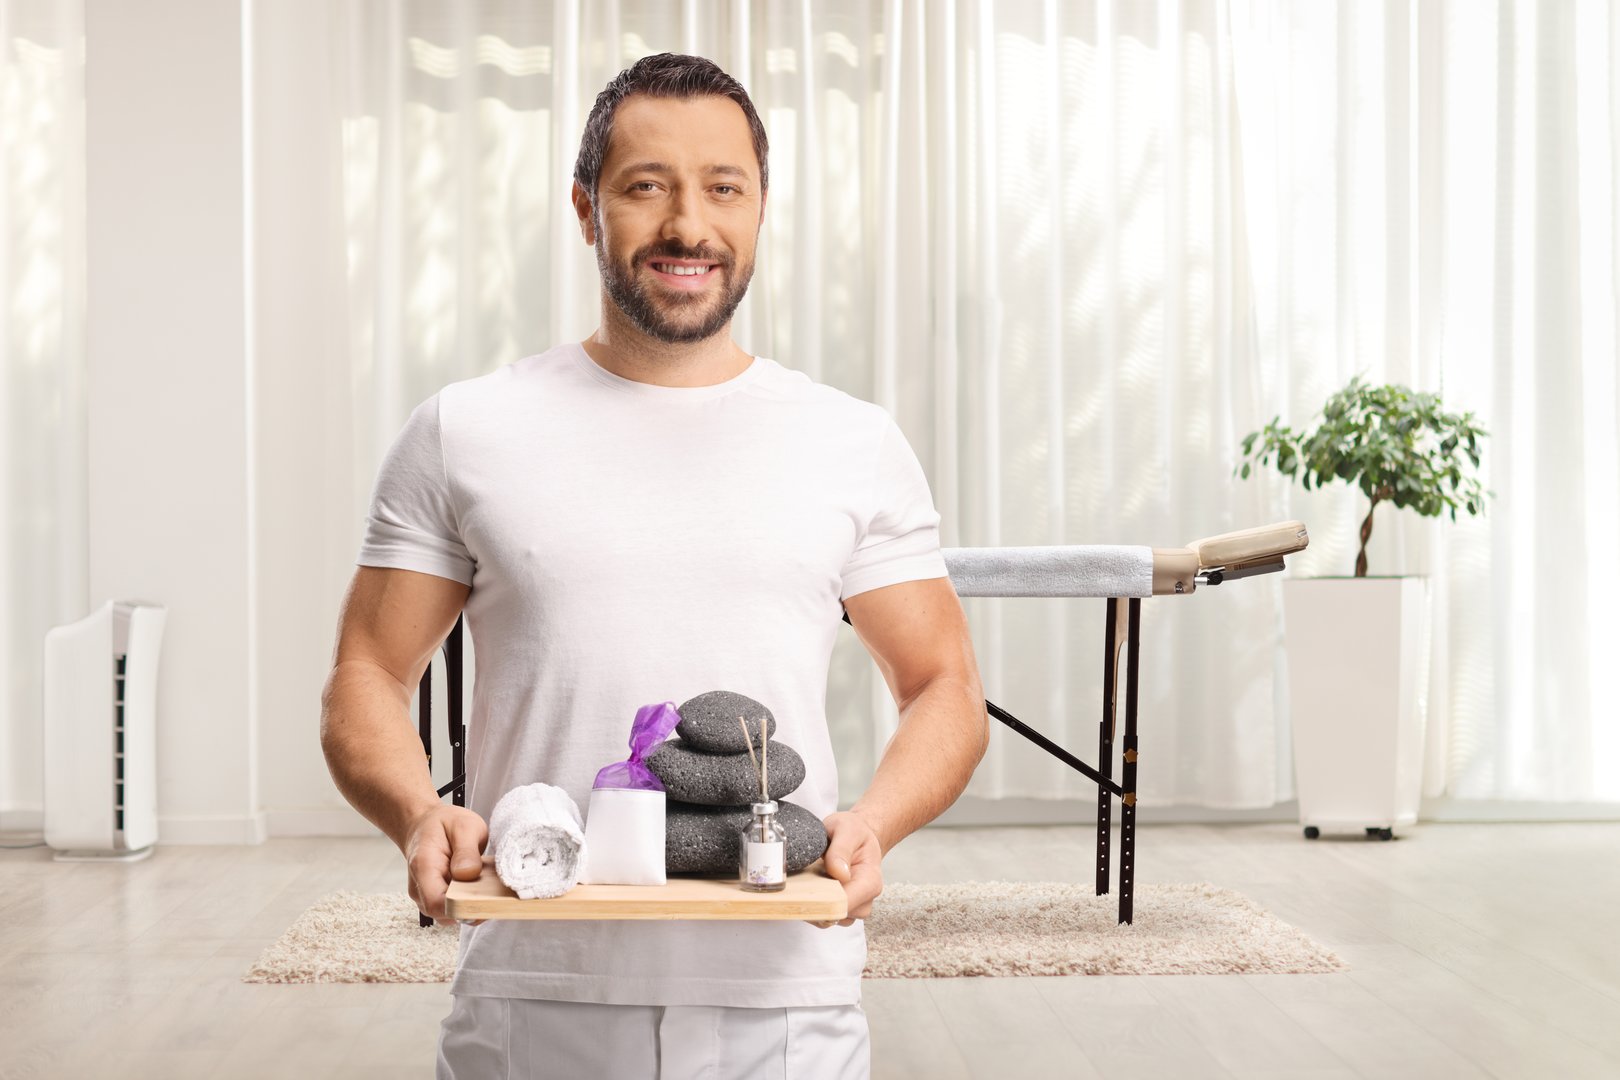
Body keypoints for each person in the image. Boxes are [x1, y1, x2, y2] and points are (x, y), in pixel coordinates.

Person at [320, 52, 987, 1079]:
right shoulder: (467, 430)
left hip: (788, 998)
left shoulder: (851, 442)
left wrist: (872, 826)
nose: (689, 224)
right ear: (586, 210)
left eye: (724, 187)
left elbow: (944, 685)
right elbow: (367, 673)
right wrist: (419, 813)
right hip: (537, 996)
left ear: (762, 209)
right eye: (647, 187)